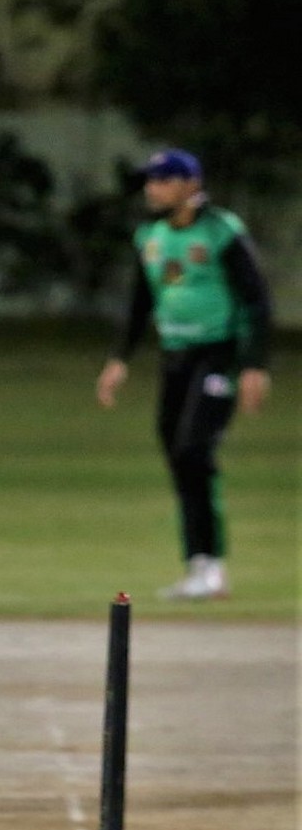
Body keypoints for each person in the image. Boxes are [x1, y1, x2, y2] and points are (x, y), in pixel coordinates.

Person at [95, 147, 273, 601]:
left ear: (190, 184)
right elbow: (140, 302)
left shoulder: (220, 231)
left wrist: (254, 364)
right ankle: (199, 566)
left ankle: (211, 567)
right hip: (175, 357)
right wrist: (119, 359)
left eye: (163, 180)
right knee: (177, 454)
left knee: (195, 451)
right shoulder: (150, 236)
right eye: (150, 180)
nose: (152, 189)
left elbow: (256, 300)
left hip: (218, 354)